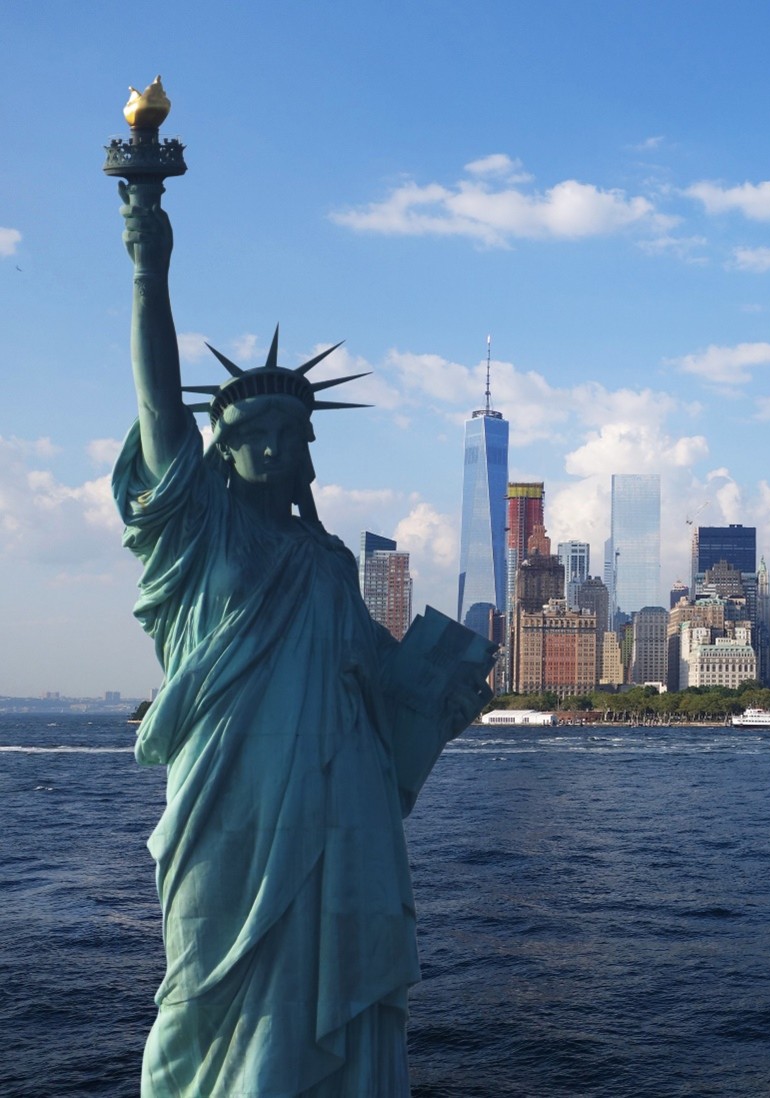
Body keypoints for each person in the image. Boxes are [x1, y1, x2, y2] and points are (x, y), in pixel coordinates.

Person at [114, 180, 492, 1097]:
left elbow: (373, 688)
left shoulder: (325, 562)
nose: (275, 446)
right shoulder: (198, 528)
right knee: (199, 993)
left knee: (336, 1002)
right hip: (227, 801)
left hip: (337, 808)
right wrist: (148, 272)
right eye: (255, 431)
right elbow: (162, 408)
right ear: (223, 445)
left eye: (292, 430)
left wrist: (444, 687)